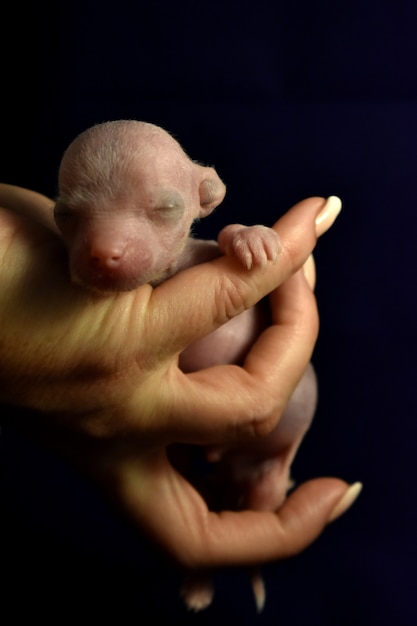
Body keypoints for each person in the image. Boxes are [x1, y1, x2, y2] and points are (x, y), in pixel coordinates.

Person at [0, 184, 360, 571]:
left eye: (160, 209)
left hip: (281, 419)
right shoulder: (108, 263)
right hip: (183, 426)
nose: (111, 244)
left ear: (199, 200)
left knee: (260, 483)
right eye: (73, 214)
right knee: (200, 483)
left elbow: (232, 240)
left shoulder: (200, 250)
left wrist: (250, 237)